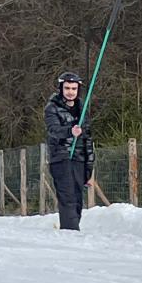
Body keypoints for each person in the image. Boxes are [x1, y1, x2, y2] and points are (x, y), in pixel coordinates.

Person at [44, 71, 95, 231]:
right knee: (68, 197)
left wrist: (89, 168)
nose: (70, 92)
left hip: (79, 159)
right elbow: (53, 130)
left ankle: (71, 228)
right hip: (61, 158)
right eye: (67, 88)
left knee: (78, 198)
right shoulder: (52, 108)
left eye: (74, 88)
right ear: (61, 88)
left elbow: (87, 139)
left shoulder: (82, 108)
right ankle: (70, 231)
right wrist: (70, 131)